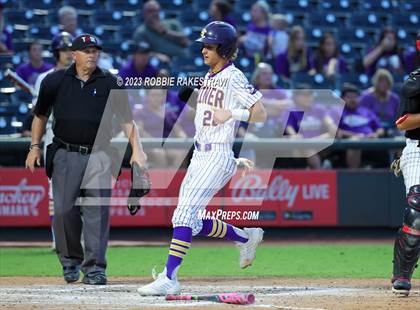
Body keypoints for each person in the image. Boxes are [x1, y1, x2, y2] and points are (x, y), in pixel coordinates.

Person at [137, 21, 267, 295]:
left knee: (183, 214)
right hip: (200, 154)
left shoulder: (234, 76)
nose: (204, 50)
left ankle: (169, 277)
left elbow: (261, 113)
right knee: (189, 220)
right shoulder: (208, 76)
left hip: (216, 155)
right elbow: (209, 112)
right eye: (204, 46)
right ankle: (245, 236)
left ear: (224, 48)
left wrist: (234, 114)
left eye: (210, 46)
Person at [25, 33, 147, 285]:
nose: (92, 54)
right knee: (63, 211)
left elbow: (126, 120)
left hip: (100, 154)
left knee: (97, 212)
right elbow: (40, 116)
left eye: (95, 50)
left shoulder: (111, 83)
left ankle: (95, 268)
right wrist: (34, 147)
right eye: (87, 50)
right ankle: (70, 261)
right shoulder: (54, 81)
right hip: (65, 154)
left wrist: (137, 149)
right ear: (74, 54)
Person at [29, 32, 74, 250]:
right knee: (54, 190)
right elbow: (39, 112)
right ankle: (58, 240)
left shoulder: (83, 76)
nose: (67, 54)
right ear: (57, 52)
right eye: (64, 50)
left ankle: (76, 238)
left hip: (77, 137)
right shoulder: (44, 79)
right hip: (52, 136)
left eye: (70, 49)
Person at [391, 34, 420, 296]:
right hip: (418, 150)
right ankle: (402, 273)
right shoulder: (415, 82)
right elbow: (402, 123)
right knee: (417, 207)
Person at [331, 83, 384, 168]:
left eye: (355, 97)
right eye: (349, 97)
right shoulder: (337, 111)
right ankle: (354, 176)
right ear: (342, 98)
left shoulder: (366, 111)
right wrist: (356, 136)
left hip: (370, 141)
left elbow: (380, 129)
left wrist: (375, 134)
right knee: (355, 141)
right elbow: (335, 130)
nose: (353, 100)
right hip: (350, 143)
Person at [359, 68, 399, 136]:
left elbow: (399, 118)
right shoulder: (366, 97)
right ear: (376, 82)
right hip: (371, 131)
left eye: (386, 82)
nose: (384, 84)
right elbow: (361, 116)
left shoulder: (394, 98)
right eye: (381, 81)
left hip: (391, 131)